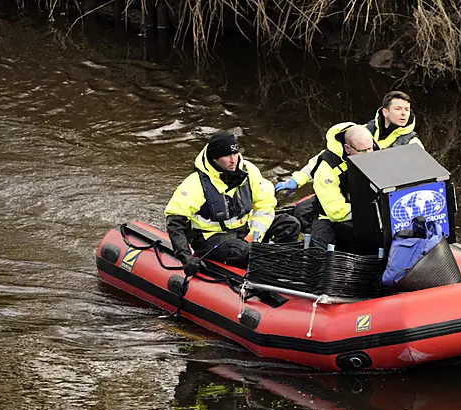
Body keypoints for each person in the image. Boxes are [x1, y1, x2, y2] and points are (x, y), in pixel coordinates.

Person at [164, 131, 300, 274]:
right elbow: (175, 221)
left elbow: (265, 204)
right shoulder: (196, 183)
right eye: (226, 156)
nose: (233, 160)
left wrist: (255, 236)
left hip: (245, 231)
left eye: (235, 154)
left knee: (290, 224)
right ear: (214, 158)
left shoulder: (249, 171)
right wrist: (185, 257)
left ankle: (274, 268)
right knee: (241, 251)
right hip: (211, 238)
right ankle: (257, 269)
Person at [275, 90, 422, 196]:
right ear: (385, 112)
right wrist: (298, 179)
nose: (404, 113)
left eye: (407, 110)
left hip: (386, 196)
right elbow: (328, 157)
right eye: (398, 109)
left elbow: (422, 177)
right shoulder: (362, 132)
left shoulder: (412, 144)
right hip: (354, 190)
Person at [305, 123, 376, 251]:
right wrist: (369, 212)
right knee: (320, 252)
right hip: (330, 216)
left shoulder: (372, 151)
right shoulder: (326, 169)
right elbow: (336, 212)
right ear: (347, 148)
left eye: (371, 149)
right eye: (363, 151)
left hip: (366, 210)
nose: (369, 154)